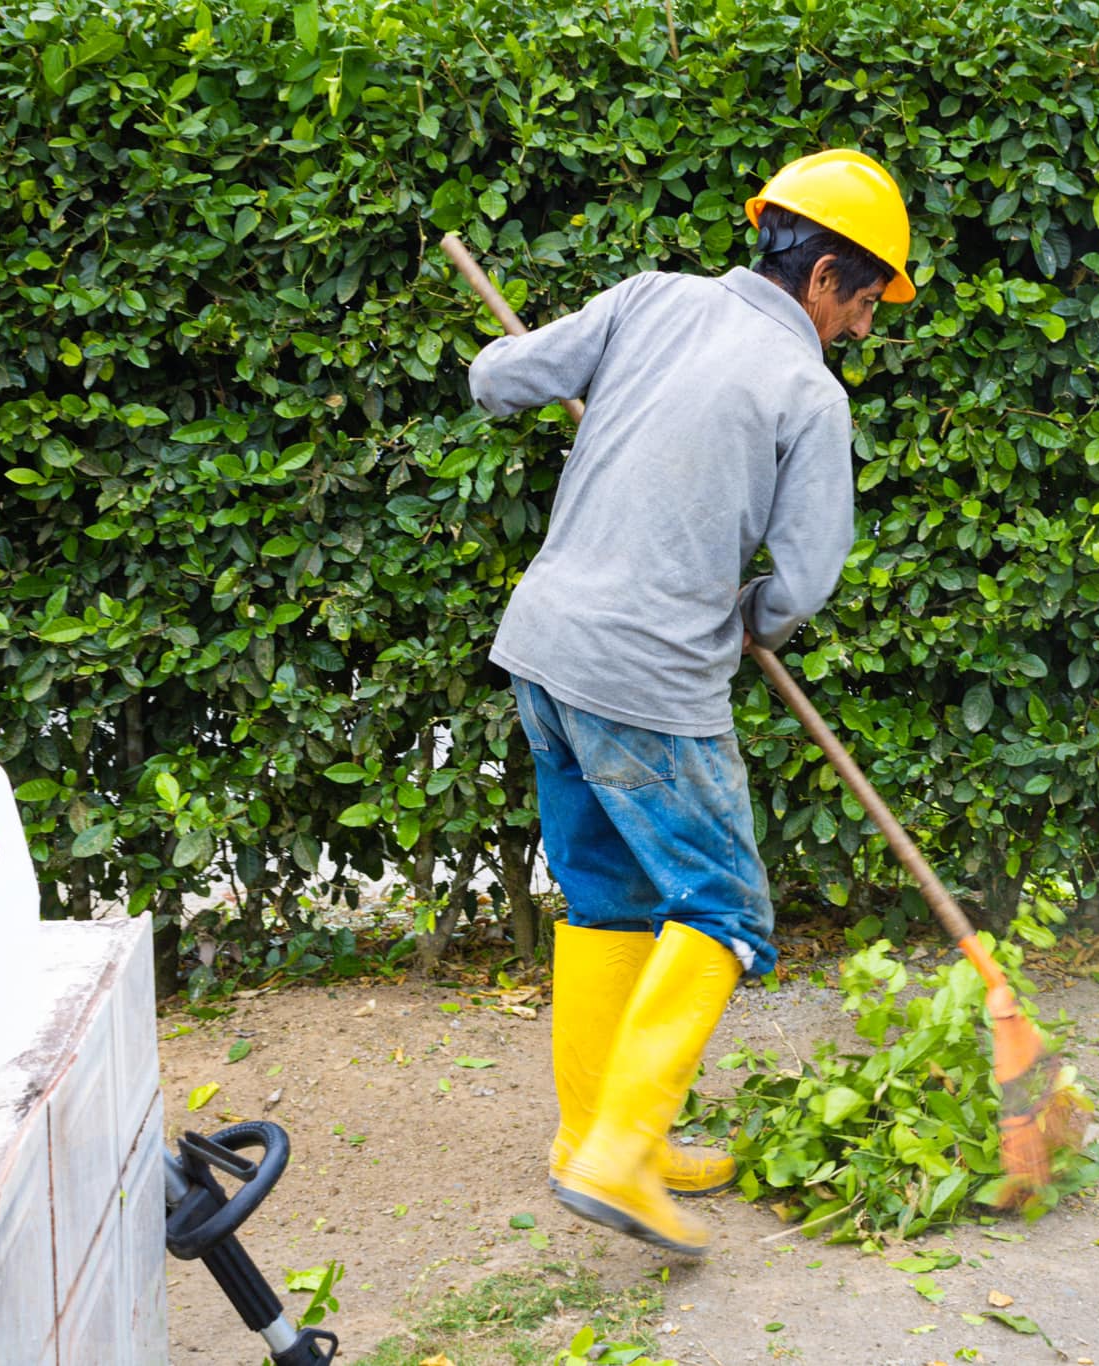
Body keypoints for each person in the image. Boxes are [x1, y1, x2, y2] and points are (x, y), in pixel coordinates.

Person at [467, 149, 917, 1257]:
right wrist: (747, 614)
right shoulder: (807, 391)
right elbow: (803, 580)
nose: (861, 327)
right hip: (647, 681)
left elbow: (496, 379)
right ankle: (622, 1150)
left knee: (607, 897)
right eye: (865, 303)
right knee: (725, 908)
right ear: (824, 277)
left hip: (546, 652)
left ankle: (593, 1139)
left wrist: (536, 372)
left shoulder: (650, 300)